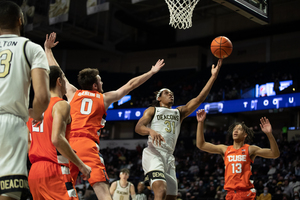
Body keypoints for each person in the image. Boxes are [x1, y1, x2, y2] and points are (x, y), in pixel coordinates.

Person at [44, 32, 165, 200]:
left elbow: (60, 74)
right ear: (95, 85)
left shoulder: (72, 93)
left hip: (67, 144)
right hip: (87, 144)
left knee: (63, 193)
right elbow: (130, 85)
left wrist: (47, 50)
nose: (102, 83)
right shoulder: (104, 97)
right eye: (100, 81)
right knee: (103, 193)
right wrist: (151, 72)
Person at [135, 58, 222, 200]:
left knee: (172, 197)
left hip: (169, 157)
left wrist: (213, 77)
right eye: (167, 93)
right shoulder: (153, 110)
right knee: (161, 191)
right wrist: (150, 131)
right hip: (154, 153)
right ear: (159, 97)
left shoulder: (178, 112)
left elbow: (199, 99)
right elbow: (138, 127)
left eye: (172, 93)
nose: (171, 94)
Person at [0, 1, 50, 200]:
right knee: (8, 192)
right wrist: (36, 114)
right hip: (11, 125)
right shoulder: (31, 48)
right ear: (20, 20)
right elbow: (42, 96)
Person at [27, 65, 92, 200]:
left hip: (34, 171)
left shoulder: (34, 110)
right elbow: (56, 139)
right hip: (55, 171)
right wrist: (82, 166)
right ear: (59, 81)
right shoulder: (61, 104)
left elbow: (28, 142)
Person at [196, 109, 280, 200]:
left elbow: (274, 154)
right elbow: (201, 145)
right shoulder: (225, 149)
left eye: (239, 129)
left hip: (245, 194)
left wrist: (269, 134)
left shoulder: (250, 149)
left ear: (245, 135)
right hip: (230, 194)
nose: (235, 131)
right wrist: (200, 122)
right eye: (234, 129)